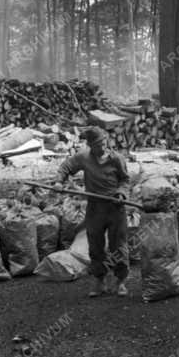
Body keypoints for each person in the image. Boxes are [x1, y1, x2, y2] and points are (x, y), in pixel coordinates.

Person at [55, 127, 130, 297]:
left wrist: (121, 193)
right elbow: (66, 166)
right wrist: (59, 181)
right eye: (97, 145)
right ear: (90, 145)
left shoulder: (116, 159)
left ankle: (120, 281)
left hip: (115, 208)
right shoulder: (84, 157)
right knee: (95, 245)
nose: (102, 148)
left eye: (104, 143)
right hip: (95, 208)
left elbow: (125, 180)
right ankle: (99, 280)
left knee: (118, 246)